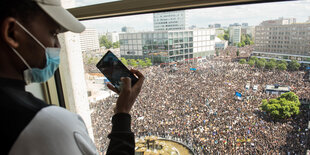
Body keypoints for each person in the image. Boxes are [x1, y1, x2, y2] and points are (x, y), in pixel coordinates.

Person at [0, 0, 144, 154]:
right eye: (53, 33)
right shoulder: (50, 124)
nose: (58, 46)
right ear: (12, 33)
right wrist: (122, 112)